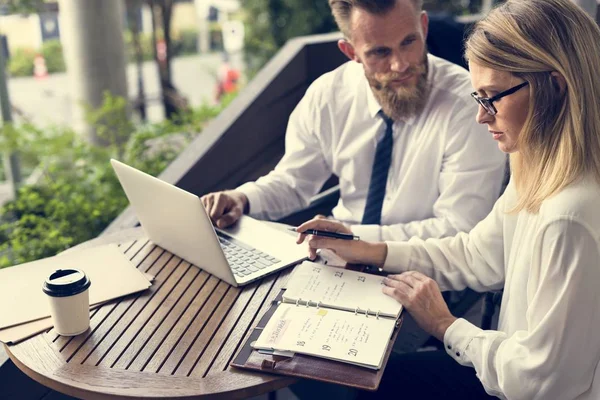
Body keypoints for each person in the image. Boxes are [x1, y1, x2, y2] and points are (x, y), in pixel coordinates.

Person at [295, 0, 600, 398]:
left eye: (492, 97)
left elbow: (542, 381)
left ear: (555, 87)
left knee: (347, 386)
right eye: (478, 97)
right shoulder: (539, 169)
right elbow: (478, 255)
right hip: (502, 372)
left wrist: (446, 326)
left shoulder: (570, 215)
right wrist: (369, 249)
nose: (481, 116)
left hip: (516, 388)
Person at [201, 0, 506, 244]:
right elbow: (294, 181)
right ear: (351, 52)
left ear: (423, 27)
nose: (400, 64)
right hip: (336, 258)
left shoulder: (468, 107)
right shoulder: (327, 95)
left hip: (424, 270)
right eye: (380, 53)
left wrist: (355, 237)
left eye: (409, 42)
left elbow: (460, 228)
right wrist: (242, 198)